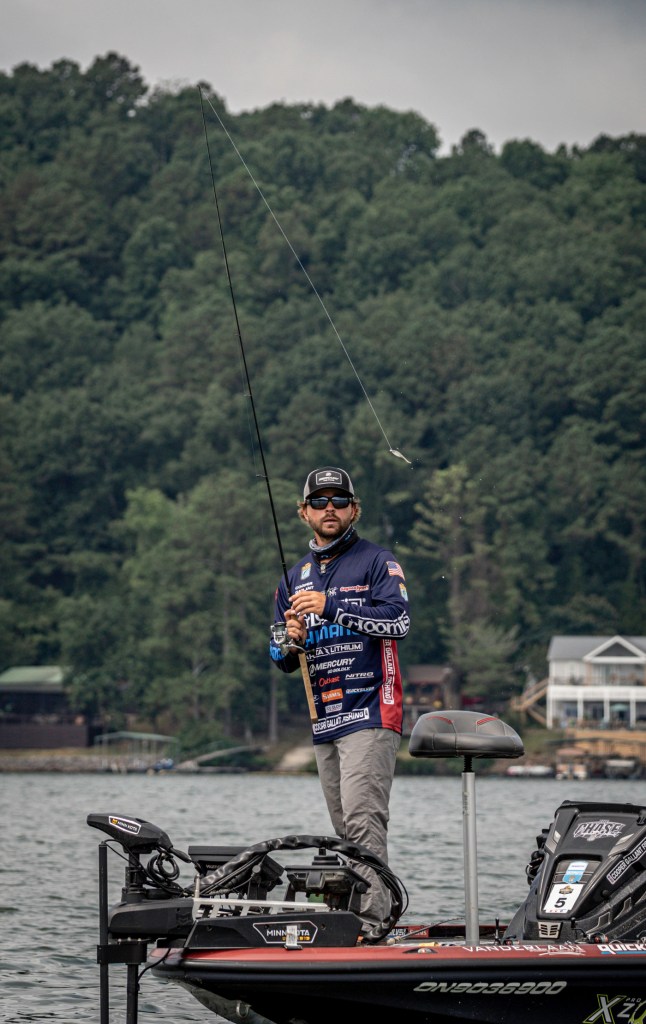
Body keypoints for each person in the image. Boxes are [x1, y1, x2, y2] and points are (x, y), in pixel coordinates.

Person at [269, 466, 410, 927]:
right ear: (304, 512)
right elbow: (278, 654)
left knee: (364, 821)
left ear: (355, 509)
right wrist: (289, 641)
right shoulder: (293, 578)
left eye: (339, 500)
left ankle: (373, 925)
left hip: (371, 710)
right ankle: (350, 921)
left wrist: (331, 607)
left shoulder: (377, 560)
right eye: (319, 501)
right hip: (325, 717)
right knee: (344, 830)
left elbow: (398, 622)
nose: (329, 508)